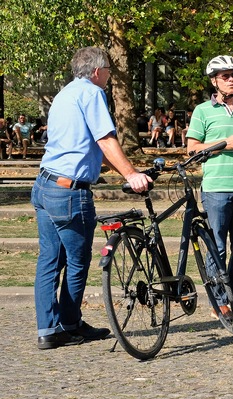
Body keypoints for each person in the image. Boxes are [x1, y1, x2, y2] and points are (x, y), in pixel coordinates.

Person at [32, 46, 152, 350]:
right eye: (109, 70)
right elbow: (105, 139)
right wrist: (131, 176)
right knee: (78, 261)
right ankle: (70, 325)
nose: (111, 76)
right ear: (97, 71)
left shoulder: (65, 94)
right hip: (69, 193)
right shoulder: (93, 94)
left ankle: (48, 329)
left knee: (49, 260)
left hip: (45, 185)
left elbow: (93, 149)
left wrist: (129, 169)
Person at [186, 55, 233, 319]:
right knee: (217, 246)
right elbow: (192, 149)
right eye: (225, 76)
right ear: (214, 81)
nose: (231, 80)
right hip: (216, 188)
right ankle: (219, 302)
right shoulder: (202, 111)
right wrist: (223, 145)